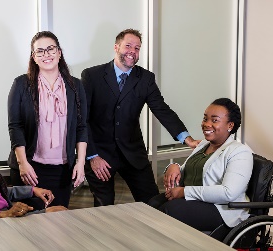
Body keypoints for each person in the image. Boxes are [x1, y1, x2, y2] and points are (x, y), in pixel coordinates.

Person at [81, 28, 200, 207]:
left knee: (153, 203)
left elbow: (162, 109)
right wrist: (92, 156)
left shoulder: (145, 78)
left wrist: (187, 139)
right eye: (128, 46)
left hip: (133, 152)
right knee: (104, 209)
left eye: (137, 48)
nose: (132, 52)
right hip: (101, 154)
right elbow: (82, 119)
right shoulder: (92, 76)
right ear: (116, 47)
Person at [8, 31, 87, 208]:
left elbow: (82, 127)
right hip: (30, 167)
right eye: (40, 51)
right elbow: (15, 126)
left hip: (62, 170)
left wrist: (80, 163)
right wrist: (23, 163)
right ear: (34, 57)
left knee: (58, 223)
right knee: (29, 224)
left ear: (59, 52)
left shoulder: (75, 86)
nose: (46, 55)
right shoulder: (21, 84)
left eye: (50, 49)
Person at [148, 98, 253, 231]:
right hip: (196, 201)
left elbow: (228, 193)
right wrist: (174, 167)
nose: (207, 124)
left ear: (230, 125)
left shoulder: (239, 152)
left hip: (221, 208)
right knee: (152, 204)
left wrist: (184, 192)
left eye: (214, 120)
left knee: (169, 210)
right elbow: (194, 172)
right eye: (205, 119)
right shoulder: (203, 144)